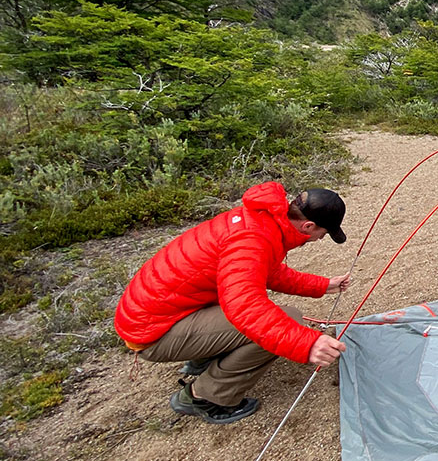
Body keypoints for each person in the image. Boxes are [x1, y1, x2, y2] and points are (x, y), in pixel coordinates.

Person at [114, 181, 352, 425]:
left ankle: (204, 357)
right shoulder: (252, 239)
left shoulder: (262, 219)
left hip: (161, 313)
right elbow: (245, 306)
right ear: (308, 225)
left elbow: (264, 271)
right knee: (287, 321)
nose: (321, 239)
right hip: (153, 331)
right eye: (323, 234)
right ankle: (204, 397)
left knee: (276, 319)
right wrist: (306, 343)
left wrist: (321, 285)